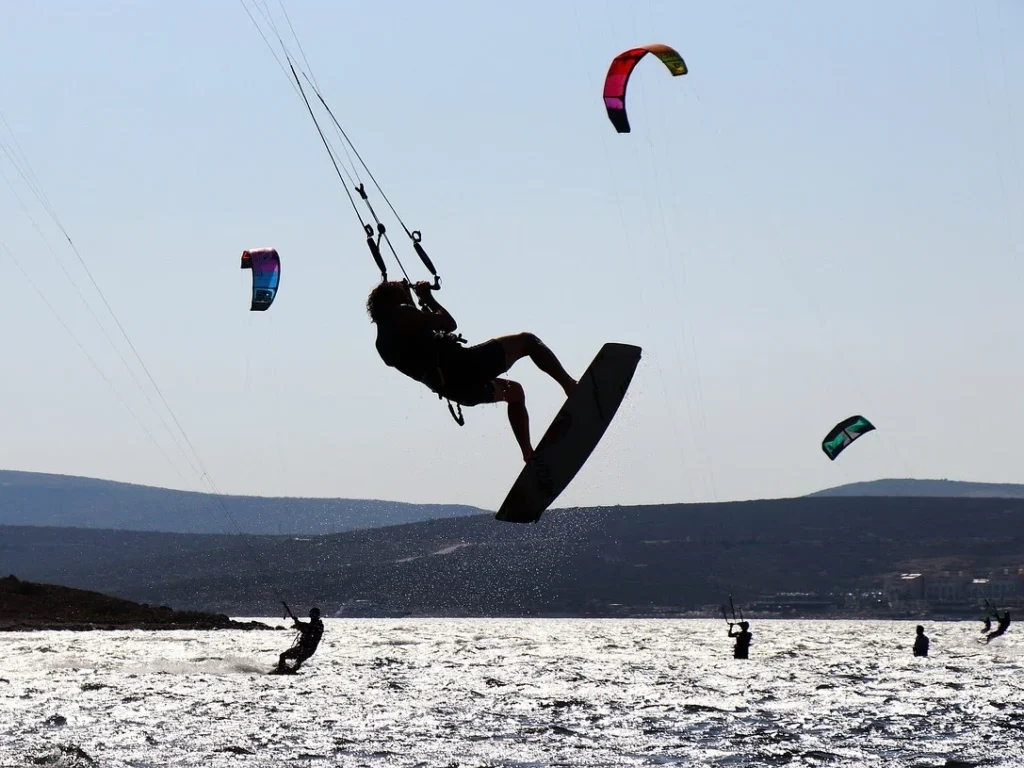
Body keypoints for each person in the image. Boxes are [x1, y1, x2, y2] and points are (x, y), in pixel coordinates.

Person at [367, 279, 577, 461]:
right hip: (466, 366)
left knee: (515, 393)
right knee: (528, 341)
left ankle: (528, 454)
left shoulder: (383, 343)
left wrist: (413, 300)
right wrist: (427, 298)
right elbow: (449, 324)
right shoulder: (401, 314)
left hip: (457, 390)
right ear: (395, 301)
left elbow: (419, 336)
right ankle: (569, 386)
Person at [277, 606, 324, 673]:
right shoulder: (312, 625)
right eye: (311, 614)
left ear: (316, 615)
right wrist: (297, 622)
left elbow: (309, 628)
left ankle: (291, 670)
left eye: (313, 614)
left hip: (308, 650)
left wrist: (297, 622)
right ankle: (281, 669)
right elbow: (305, 627)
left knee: (299, 659)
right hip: (301, 648)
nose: (311, 616)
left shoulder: (319, 625)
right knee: (283, 655)